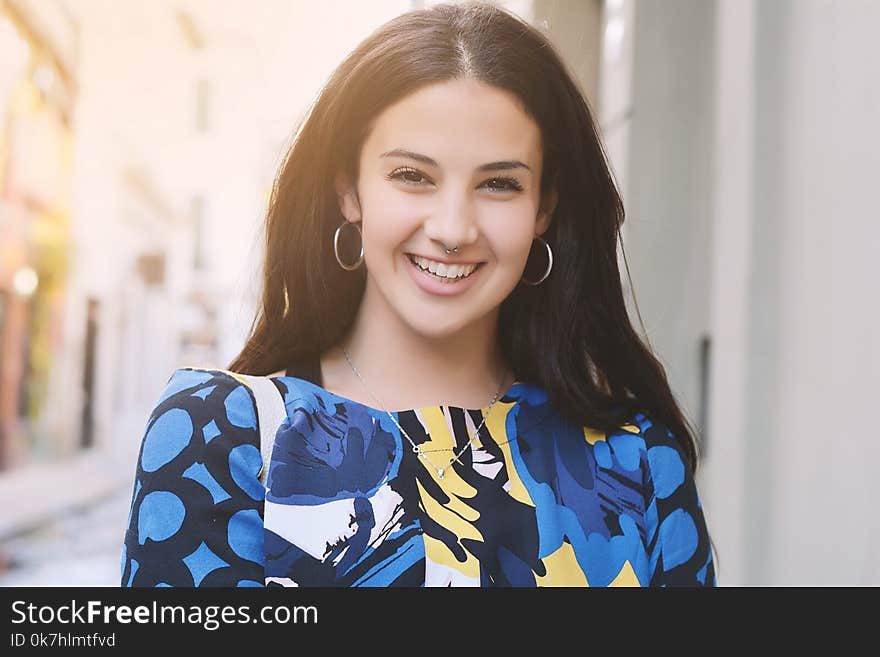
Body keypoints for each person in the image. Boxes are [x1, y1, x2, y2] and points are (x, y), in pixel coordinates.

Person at [120, 1, 716, 587]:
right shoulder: (222, 439)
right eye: (413, 176)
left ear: (545, 207)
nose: (453, 229)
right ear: (349, 189)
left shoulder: (636, 464)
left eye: (500, 184)